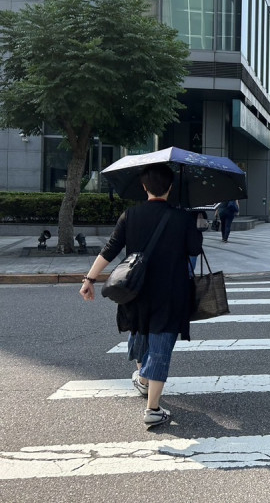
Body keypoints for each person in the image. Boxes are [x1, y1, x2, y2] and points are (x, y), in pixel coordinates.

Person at [79, 163, 203, 428]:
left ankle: (143, 379)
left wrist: (89, 279)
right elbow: (194, 249)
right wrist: (196, 224)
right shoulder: (183, 218)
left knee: (139, 330)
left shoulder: (130, 215)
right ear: (171, 187)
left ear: (144, 187)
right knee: (160, 346)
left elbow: (110, 249)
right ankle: (152, 408)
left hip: (135, 290)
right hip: (170, 292)